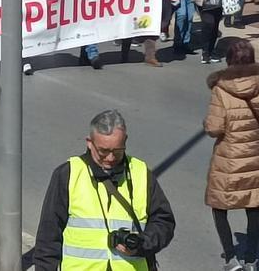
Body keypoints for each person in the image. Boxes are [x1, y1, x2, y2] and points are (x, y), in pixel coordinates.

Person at [32, 110, 175, 271]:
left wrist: (142, 243)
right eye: (103, 151)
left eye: (117, 151)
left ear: (125, 141)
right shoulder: (68, 174)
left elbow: (164, 221)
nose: (110, 158)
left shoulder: (140, 172)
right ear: (89, 142)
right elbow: (48, 237)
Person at [204, 39, 259, 271]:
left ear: (229, 62)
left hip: (228, 155)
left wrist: (205, 124)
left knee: (219, 206)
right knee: (253, 205)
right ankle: (251, 259)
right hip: (254, 154)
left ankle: (230, 258)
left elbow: (214, 128)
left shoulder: (220, 89)